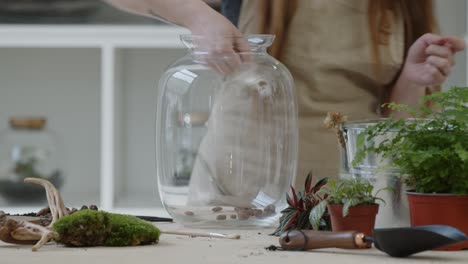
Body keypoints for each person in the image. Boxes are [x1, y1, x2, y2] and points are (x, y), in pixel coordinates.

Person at [105, 0, 465, 189]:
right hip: (242, 196)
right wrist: (197, 15)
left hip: (352, 201)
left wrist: (413, 80)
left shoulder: (405, 4)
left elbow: (393, 122)